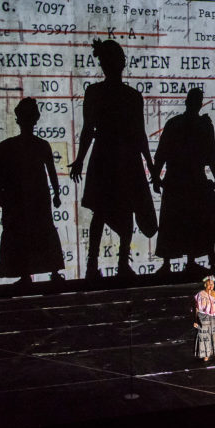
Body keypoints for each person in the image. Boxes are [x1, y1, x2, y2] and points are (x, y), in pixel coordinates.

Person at [69, 39, 158, 279]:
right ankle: (117, 264)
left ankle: (94, 264)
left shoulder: (97, 92)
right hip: (123, 157)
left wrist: (80, 160)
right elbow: (139, 135)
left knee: (102, 211)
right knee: (119, 211)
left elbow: (90, 130)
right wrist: (150, 167)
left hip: (107, 155)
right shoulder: (130, 96)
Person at [0, 97, 65, 285]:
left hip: (28, 198)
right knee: (36, 232)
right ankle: (46, 273)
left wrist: (56, 193)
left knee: (33, 232)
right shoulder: (34, 146)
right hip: (26, 197)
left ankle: (31, 274)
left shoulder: (9, 147)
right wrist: (56, 193)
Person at [153, 88, 215, 273]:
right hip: (188, 178)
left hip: (182, 178)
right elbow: (211, 155)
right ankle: (179, 262)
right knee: (180, 220)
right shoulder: (199, 125)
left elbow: (162, 153)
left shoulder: (176, 123)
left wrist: (155, 176)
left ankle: (175, 262)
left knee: (180, 220)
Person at [193, 276, 215, 362]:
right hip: (203, 317)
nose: (211, 286)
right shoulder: (200, 294)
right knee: (204, 335)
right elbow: (197, 308)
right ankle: (206, 354)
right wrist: (196, 320)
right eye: (209, 284)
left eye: (212, 284)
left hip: (214, 316)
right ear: (205, 285)